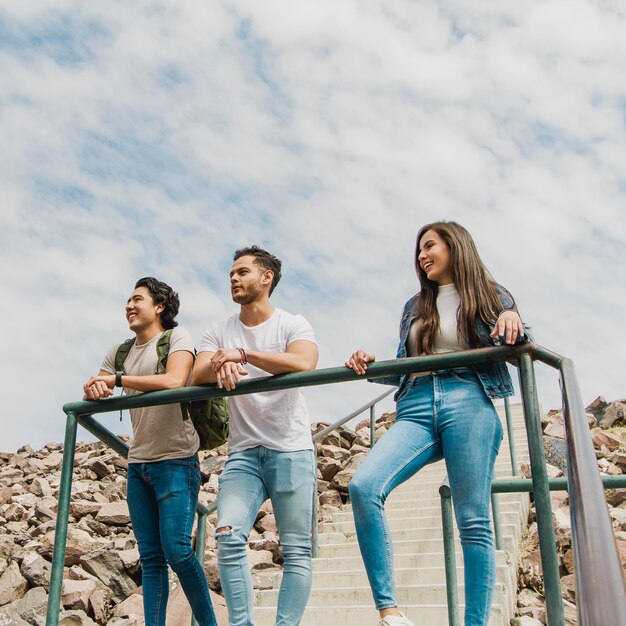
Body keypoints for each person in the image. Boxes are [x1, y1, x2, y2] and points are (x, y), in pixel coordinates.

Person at [345, 221, 528, 626]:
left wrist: (514, 321)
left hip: (469, 399)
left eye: (430, 246)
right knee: (364, 486)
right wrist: (370, 365)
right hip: (417, 405)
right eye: (419, 251)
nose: (422, 256)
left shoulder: (493, 295)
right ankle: (388, 610)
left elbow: (519, 343)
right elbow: (405, 366)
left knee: (473, 519)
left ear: (455, 245)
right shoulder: (415, 306)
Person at [192, 246, 319, 626]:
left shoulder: (292, 323)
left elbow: (304, 361)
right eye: (231, 273)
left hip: (292, 449)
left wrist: (242, 355)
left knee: (296, 549)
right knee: (229, 538)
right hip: (244, 454)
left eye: (242, 272)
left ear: (267, 278)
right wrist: (220, 360)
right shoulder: (218, 330)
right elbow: (195, 374)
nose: (233, 278)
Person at [83, 277, 217, 626]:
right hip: (138, 463)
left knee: (177, 550)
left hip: (176, 459)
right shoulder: (119, 352)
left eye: (137, 299)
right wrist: (94, 388)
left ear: (159, 307)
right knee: (151, 558)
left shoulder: (176, 337)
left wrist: (116, 381)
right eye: (127, 299)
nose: (129, 305)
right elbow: (100, 387)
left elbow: (175, 380)